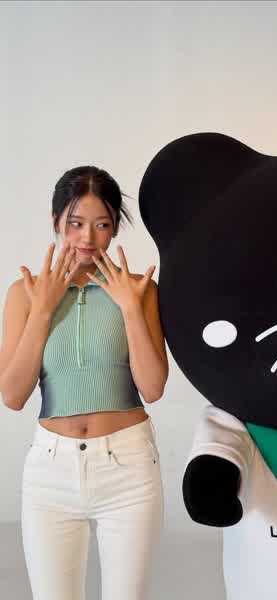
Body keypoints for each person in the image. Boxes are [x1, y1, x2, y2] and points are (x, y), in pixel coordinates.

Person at [0, 166, 169, 600]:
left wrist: (129, 309)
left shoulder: (141, 291)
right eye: (75, 223)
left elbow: (153, 388)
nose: (87, 238)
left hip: (128, 469)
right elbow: (13, 395)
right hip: (49, 472)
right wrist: (42, 310)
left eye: (102, 225)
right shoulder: (24, 293)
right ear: (56, 221)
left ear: (114, 228)